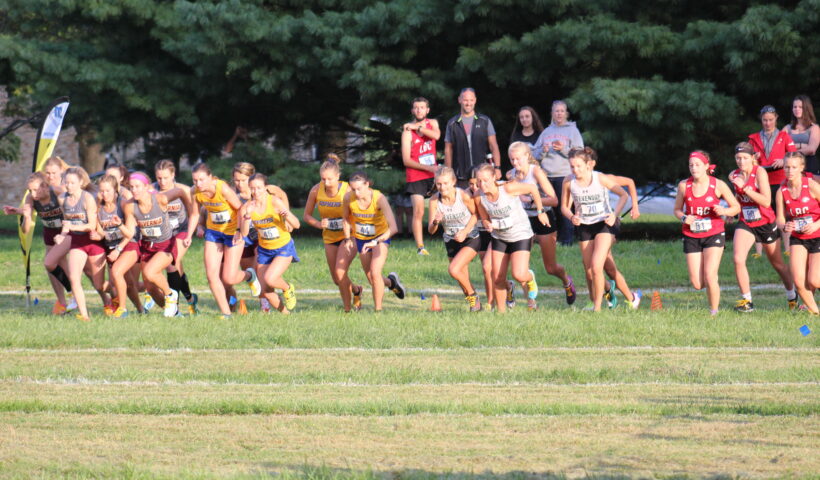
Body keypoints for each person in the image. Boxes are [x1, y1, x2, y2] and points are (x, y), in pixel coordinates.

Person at [561, 148, 633, 312]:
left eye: (579, 166)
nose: (575, 170)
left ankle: (597, 307)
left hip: (604, 224)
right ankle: (615, 292)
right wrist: (572, 217)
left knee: (596, 266)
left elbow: (623, 195)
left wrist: (615, 215)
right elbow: (564, 207)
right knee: (590, 271)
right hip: (585, 226)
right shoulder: (568, 182)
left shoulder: (599, 178)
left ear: (588, 165)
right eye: (572, 167)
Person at [728, 142, 796, 312]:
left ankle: (792, 295)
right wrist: (731, 211)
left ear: (753, 158)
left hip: (765, 223)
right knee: (738, 259)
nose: (741, 162)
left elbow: (766, 201)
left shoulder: (760, 172)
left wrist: (746, 188)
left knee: (778, 264)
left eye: (744, 158)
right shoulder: (734, 175)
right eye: (738, 158)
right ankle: (747, 301)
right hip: (746, 222)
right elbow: (738, 197)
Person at [507, 141, 576, 306]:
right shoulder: (510, 175)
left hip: (543, 217)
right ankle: (531, 302)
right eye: (512, 160)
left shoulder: (536, 172)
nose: (515, 163)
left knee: (551, 267)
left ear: (527, 156)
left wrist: (531, 200)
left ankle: (566, 280)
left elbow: (554, 200)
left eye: (518, 159)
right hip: (522, 222)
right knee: (522, 267)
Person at [190, 163, 262, 318]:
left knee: (228, 278)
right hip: (214, 234)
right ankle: (227, 313)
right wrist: (193, 232)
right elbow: (196, 214)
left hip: (232, 234)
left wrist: (237, 230)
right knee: (212, 276)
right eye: (195, 180)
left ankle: (250, 275)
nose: (198, 184)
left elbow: (239, 208)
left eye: (201, 180)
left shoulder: (222, 188)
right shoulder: (195, 191)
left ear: (210, 177)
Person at [673, 151, 740, 315]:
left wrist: (724, 210)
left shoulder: (718, 185)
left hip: (714, 233)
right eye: (691, 165)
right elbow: (676, 210)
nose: (694, 168)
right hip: (691, 235)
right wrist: (684, 218)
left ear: (706, 166)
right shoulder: (684, 185)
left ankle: (714, 312)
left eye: (697, 164)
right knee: (697, 283)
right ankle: (711, 287)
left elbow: (736, 207)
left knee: (710, 276)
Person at [476, 163, 547, 313]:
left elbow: (532, 188)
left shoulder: (507, 188)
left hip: (520, 234)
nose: (482, 184)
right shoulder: (479, 196)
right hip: (500, 236)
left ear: (494, 178)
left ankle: (530, 277)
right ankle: (501, 313)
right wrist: (488, 223)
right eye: (479, 181)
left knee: (519, 274)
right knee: (498, 277)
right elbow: (484, 218)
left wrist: (540, 211)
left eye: (486, 180)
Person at [3, 172, 74, 313]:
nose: (32, 193)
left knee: (59, 262)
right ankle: (62, 302)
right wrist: (26, 216)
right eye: (30, 190)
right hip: (50, 233)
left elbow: (74, 207)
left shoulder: (58, 192)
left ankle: (74, 293)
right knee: (50, 266)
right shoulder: (31, 199)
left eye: (35, 189)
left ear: (45, 187)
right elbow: (25, 230)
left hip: (66, 231)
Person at [303, 155, 364, 312]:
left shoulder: (348, 190)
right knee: (337, 279)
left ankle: (347, 310)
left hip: (349, 236)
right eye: (323, 179)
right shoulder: (316, 190)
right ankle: (356, 290)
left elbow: (362, 210)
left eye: (330, 179)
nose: (326, 183)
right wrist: (318, 224)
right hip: (330, 238)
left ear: (338, 176)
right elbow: (306, 216)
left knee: (339, 272)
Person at [127, 172, 192, 318]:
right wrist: (118, 227)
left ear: (146, 186)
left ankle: (170, 295)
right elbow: (130, 231)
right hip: (147, 246)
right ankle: (174, 312)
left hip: (166, 245)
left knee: (151, 272)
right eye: (131, 187)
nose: (134, 190)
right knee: (150, 287)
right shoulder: (130, 206)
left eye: (137, 186)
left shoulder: (160, 199)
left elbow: (181, 191)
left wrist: (192, 212)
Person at [342, 171, 406, 311]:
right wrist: (347, 239)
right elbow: (346, 218)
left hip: (381, 238)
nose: (356, 193)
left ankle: (378, 311)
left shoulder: (379, 198)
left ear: (367, 184)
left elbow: (394, 227)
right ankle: (392, 283)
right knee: (372, 278)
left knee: (375, 272)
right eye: (353, 189)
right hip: (361, 239)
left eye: (359, 189)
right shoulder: (348, 198)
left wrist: (376, 241)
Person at [54, 166, 111, 321]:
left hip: (93, 242)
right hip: (77, 243)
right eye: (66, 183)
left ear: (80, 182)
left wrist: (71, 227)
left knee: (99, 285)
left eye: (72, 183)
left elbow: (91, 226)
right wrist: (62, 235)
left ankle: (121, 291)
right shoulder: (62, 199)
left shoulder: (87, 198)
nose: (69, 186)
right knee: (74, 278)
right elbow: (66, 222)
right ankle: (84, 315)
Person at [239, 173, 300, 314]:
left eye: (259, 188)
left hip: (283, 247)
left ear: (265, 187)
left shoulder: (274, 202)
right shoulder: (248, 207)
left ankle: (287, 288)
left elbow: (296, 225)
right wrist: (247, 216)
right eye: (253, 188)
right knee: (264, 289)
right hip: (265, 250)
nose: (256, 192)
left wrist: (287, 215)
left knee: (270, 278)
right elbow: (243, 233)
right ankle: (286, 315)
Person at [428, 166, 482, 311]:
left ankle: (474, 297)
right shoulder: (434, 201)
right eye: (439, 184)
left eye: (445, 183)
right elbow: (431, 230)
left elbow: (476, 215)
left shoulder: (463, 195)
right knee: (461, 278)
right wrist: (436, 222)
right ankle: (475, 305)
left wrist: (464, 231)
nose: (442, 187)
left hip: (470, 237)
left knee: (453, 269)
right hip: (451, 241)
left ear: (453, 182)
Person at [532, 100, 584, 246]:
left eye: (562, 111)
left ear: (566, 113)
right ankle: (550, 240)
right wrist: (544, 150)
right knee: (549, 210)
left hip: (565, 175)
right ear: (552, 113)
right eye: (556, 111)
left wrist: (563, 149)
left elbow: (580, 154)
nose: (559, 113)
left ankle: (566, 241)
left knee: (564, 208)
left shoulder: (572, 131)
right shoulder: (546, 132)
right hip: (547, 176)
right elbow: (534, 155)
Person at [776, 151, 820, 315]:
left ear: (801, 168)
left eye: (794, 167)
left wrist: (816, 225)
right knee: (799, 282)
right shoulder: (781, 191)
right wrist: (785, 225)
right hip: (798, 238)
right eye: (786, 167)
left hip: (818, 235)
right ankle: (815, 313)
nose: (790, 171)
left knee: (814, 280)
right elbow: (779, 218)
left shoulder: (812, 185)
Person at [749, 105, 795, 251]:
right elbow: (747, 160)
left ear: (776, 118)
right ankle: (758, 252)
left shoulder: (784, 136)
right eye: (764, 120)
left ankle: (787, 248)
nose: (767, 123)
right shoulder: (754, 138)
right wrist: (753, 159)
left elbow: (793, 156)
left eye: (770, 119)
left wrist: (783, 160)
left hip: (780, 180)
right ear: (761, 120)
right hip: (761, 181)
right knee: (760, 214)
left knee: (783, 214)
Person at [154, 160, 197, 314]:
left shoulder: (183, 190)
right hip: (163, 235)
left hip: (181, 231)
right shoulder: (152, 191)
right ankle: (191, 298)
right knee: (177, 268)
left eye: (166, 177)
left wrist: (192, 232)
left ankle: (174, 307)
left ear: (173, 175)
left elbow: (195, 212)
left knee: (172, 262)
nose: (162, 181)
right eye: (159, 178)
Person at [97, 174, 142, 317]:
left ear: (116, 190)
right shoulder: (99, 208)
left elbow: (130, 233)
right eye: (102, 191)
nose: (105, 194)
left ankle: (122, 309)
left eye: (108, 191)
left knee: (116, 272)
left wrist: (119, 225)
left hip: (128, 245)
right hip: (111, 248)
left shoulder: (123, 205)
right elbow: (100, 232)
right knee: (128, 284)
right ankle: (141, 309)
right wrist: (98, 234)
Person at [401, 97, 441, 256]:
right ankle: (420, 247)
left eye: (422, 107)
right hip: (416, 175)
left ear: (427, 110)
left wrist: (420, 128)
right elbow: (406, 160)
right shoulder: (407, 133)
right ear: (412, 111)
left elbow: (436, 136)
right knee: (418, 211)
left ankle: (444, 236)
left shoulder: (434, 123)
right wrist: (428, 167)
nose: (419, 110)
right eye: (416, 108)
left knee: (438, 208)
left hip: (433, 176)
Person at [444, 88, 501, 189]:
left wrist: (497, 167)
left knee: (483, 203)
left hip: (482, 175)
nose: (468, 103)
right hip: (460, 175)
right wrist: (448, 173)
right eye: (465, 100)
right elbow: (448, 149)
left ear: (475, 100)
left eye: (471, 100)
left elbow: (493, 145)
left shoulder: (484, 120)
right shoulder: (452, 123)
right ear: (459, 100)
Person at [783, 95, 820, 175]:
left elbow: (811, 149)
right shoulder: (787, 128)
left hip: (809, 164)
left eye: (800, 107)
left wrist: (792, 152)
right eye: (795, 107)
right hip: (791, 166)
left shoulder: (814, 128)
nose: (797, 109)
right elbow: (779, 147)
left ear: (807, 109)